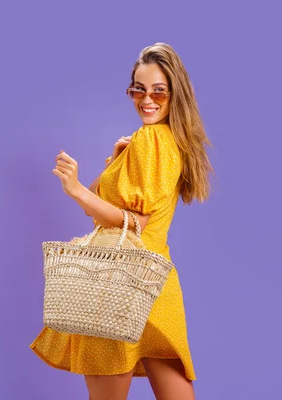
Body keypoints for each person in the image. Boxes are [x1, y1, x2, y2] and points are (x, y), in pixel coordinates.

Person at [30, 42, 213, 400]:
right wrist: (114, 164)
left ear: (176, 93)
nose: (147, 99)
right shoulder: (168, 140)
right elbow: (107, 211)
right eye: (138, 90)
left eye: (159, 91)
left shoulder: (150, 140)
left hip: (117, 285)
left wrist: (76, 189)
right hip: (156, 285)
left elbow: (133, 222)